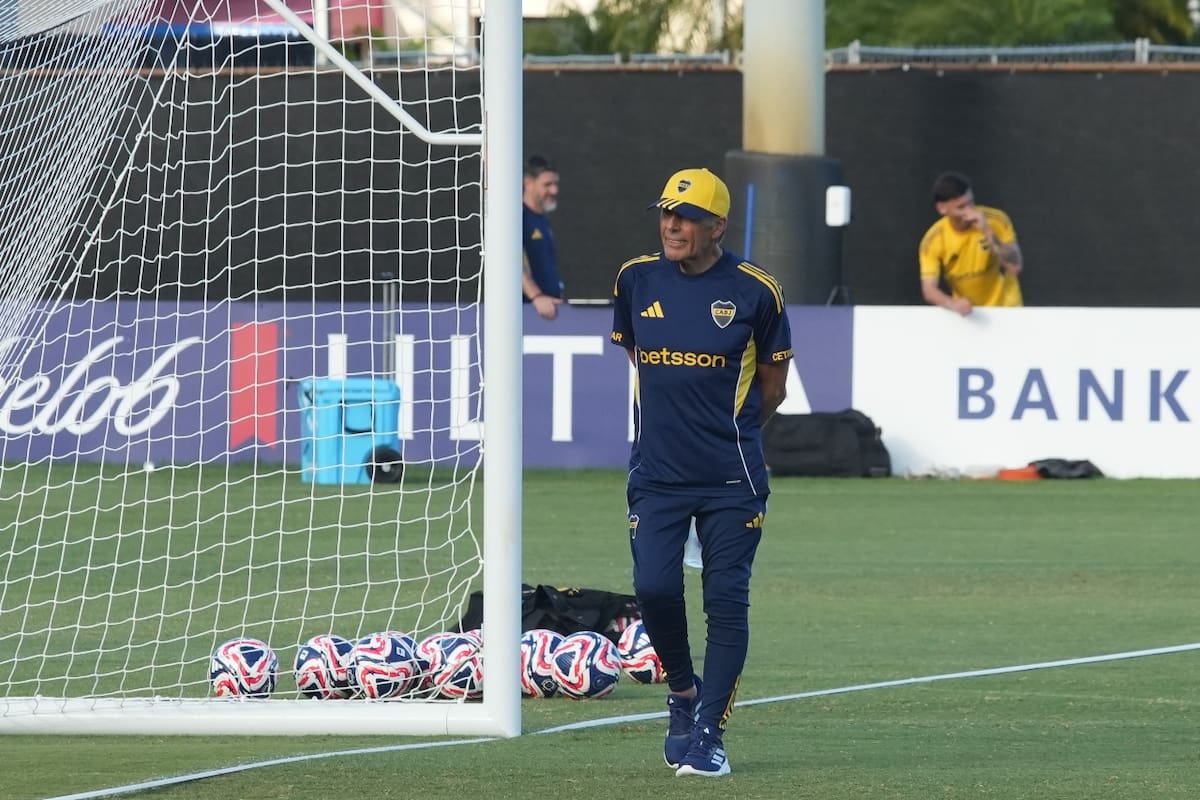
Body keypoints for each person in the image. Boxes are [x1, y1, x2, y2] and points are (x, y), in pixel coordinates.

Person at [609, 167, 793, 778]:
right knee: (654, 589)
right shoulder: (635, 280)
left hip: (731, 480)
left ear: (717, 226)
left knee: (725, 603)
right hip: (656, 475)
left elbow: (773, 389)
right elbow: (641, 359)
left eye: (686, 217)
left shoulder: (756, 291)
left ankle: (710, 734)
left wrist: (723, 435)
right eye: (666, 213)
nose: (672, 225)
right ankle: (683, 693)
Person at [918, 171, 1023, 316]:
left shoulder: (996, 220)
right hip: (969, 313)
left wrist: (988, 231)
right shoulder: (933, 240)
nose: (969, 211)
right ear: (942, 208)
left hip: (1006, 308)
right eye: (961, 207)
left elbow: (1015, 266)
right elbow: (929, 290)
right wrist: (952, 303)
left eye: (971, 203)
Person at [522, 154, 565, 320]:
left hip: (549, 310)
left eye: (555, 184)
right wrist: (537, 296)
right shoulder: (517, 217)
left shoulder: (542, 220)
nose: (554, 190)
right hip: (527, 312)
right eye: (547, 185)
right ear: (528, 183)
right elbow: (508, 261)